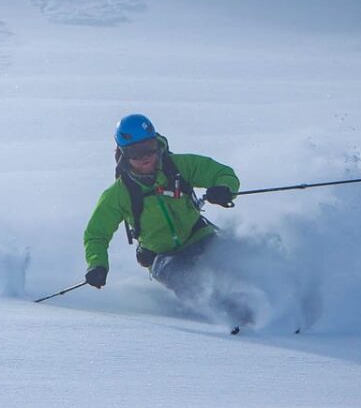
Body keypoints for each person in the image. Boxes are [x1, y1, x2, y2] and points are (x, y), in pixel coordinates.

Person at [83, 114, 253, 332]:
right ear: (123, 154)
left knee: (232, 261)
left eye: (149, 148)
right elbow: (96, 234)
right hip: (161, 256)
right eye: (136, 152)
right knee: (185, 278)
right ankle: (231, 316)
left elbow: (222, 173)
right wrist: (97, 264)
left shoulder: (179, 166)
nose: (145, 157)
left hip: (198, 235)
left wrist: (224, 189)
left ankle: (271, 297)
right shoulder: (118, 194)